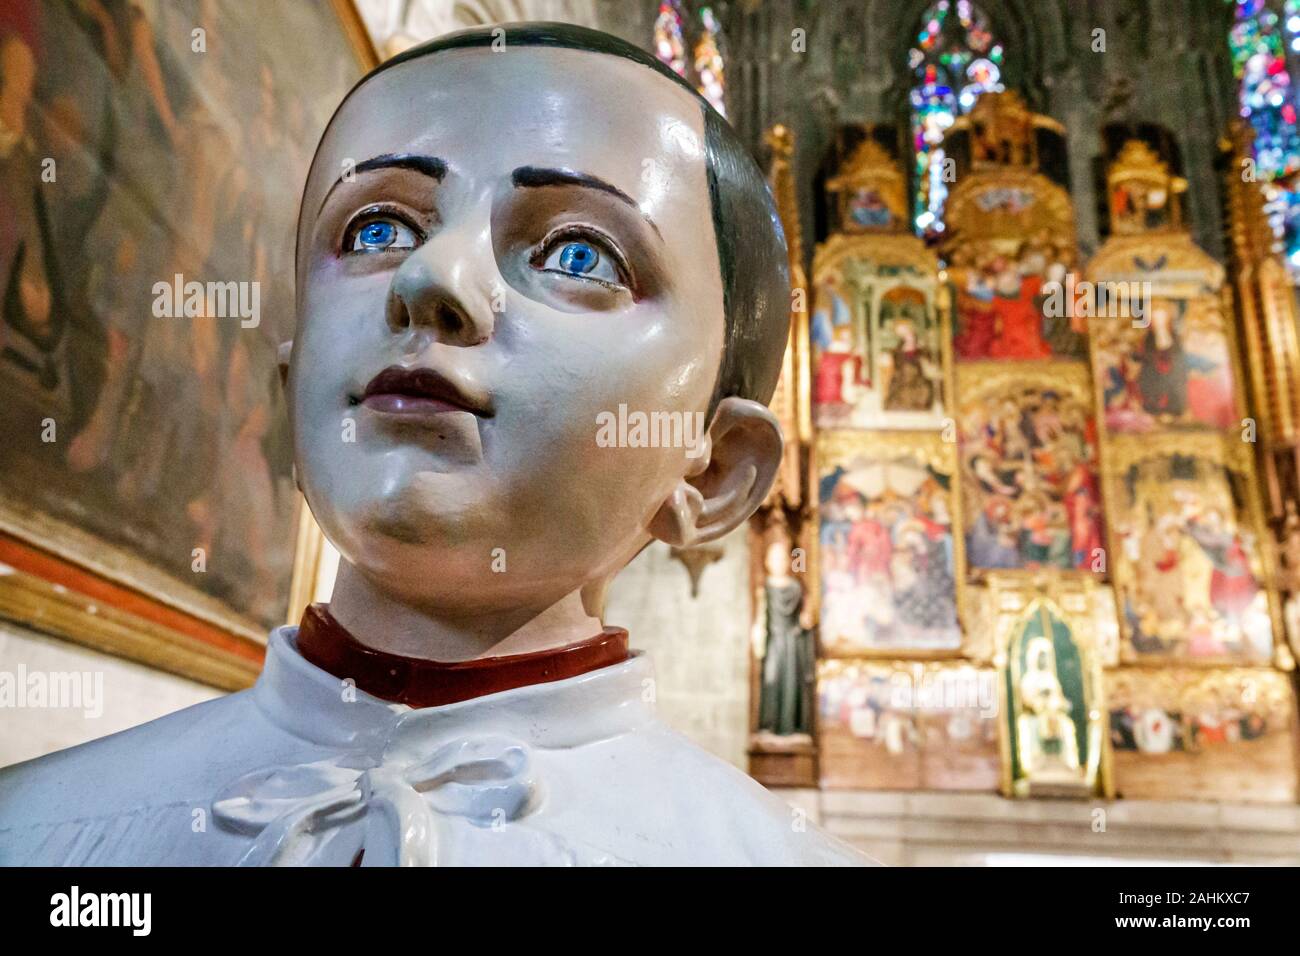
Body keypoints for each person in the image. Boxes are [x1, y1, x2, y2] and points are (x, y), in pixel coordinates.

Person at [0, 23, 865, 867]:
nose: (431, 278)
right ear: (288, 393)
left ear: (712, 469)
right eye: (377, 230)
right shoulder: (34, 830)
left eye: (576, 252)